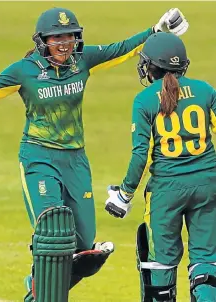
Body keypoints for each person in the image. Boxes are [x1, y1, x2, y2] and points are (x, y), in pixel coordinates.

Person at [0, 7, 189, 302]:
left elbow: (121, 50)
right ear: (42, 41)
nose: (63, 45)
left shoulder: (81, 62)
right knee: (55, 231)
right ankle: (42, 286)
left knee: (84, 249)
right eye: (56, 38)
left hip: (75, 160)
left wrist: (156, 31)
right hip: (39, 158)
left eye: (69, 38)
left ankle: (38, 286)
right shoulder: (26, 70)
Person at [105, 32, 216, 302]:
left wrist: (124, 195)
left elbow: (141, 156)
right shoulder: (205, 90)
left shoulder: (144, 100)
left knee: (160, 266)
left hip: (165, 192)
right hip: (208, 185)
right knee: (206, 262)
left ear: (151, 66)